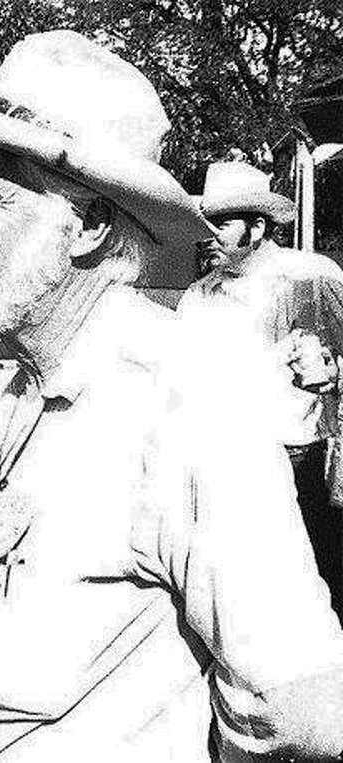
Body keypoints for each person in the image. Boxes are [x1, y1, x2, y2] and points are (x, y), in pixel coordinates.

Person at [0, 30, 343, 759]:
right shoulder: (35, 381)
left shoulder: (182, 405)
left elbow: (306, 710)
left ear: (89, 224)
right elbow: (73, 632)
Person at [177, 160, 343, 621]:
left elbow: (333, 361)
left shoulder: (304, 277)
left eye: (221, 223)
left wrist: (332, 375)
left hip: (295, 464)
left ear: (258, 225)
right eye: (203, 223)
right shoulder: (199, 295)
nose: (207, 235)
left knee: (317, 592)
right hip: (219, 466)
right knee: (243, 603)